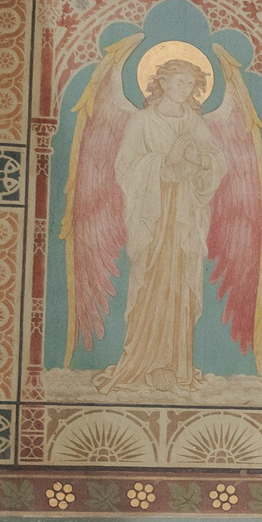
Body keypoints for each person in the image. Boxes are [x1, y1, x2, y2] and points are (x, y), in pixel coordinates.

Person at [102, 46, 224, 395]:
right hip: (153, 215)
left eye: (190, 84)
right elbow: (125, 166)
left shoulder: (192, 121)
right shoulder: (143, 121)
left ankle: (175, 365)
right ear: (162, 84)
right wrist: (164, 164)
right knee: (153, 282)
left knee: (181, 283)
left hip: (185, 215)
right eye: (178, 82)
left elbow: (216, 159)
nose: (183, 89)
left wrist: (200, 161)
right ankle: (147, 361)